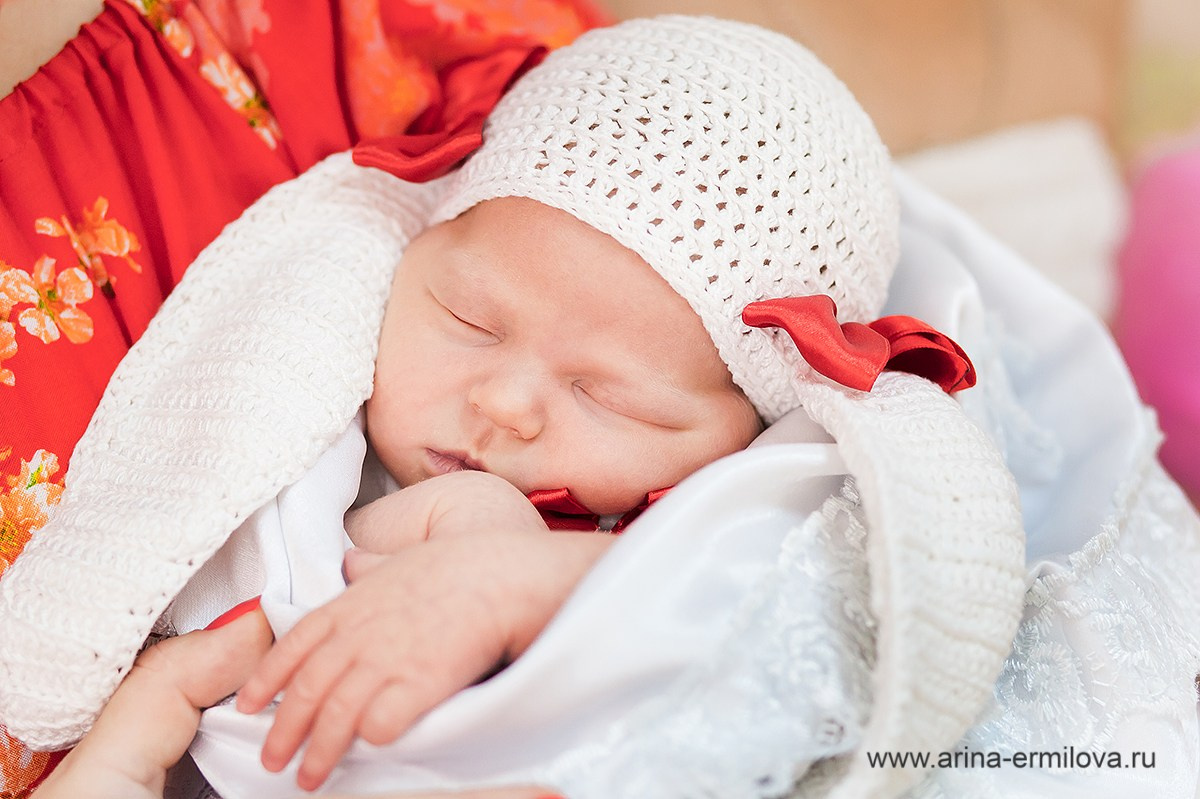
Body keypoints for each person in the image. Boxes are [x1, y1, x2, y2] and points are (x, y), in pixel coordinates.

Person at [17, 15, 993, 799]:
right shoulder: (308, 418)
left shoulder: (753, 499)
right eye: (469, 319)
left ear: (752, 425)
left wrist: (534, 575)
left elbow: (804, 618)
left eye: (614, 397)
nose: (509, 405)